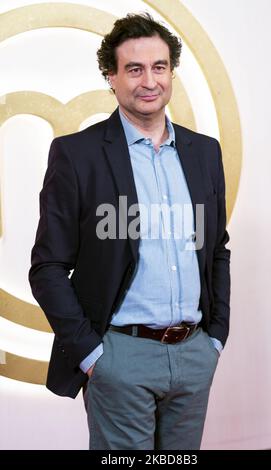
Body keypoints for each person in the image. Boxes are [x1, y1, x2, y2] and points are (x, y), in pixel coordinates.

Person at [29, 12, 230, 450]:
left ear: (171, 73)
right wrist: (93, 355)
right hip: (120, 356)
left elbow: (217, 249)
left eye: (159, 67)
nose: (148, 81)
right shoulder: (77, 155)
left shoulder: (204, 153)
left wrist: (215, 337)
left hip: (194, 353)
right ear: (111, 77)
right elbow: (47, 267)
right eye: (134, 69)